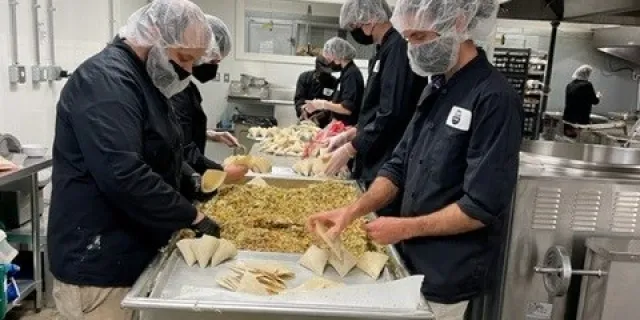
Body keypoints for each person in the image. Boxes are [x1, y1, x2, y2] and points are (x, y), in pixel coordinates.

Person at [308, 0, 522, 319]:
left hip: (447, 271)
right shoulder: (436, 87)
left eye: (420, 37)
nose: (412, 49)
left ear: (460, 23)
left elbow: (481, 206)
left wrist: (405, 228)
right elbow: (398, 167)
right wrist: (353, 211)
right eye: (407, 38)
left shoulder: (493, 98)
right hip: (410, 259)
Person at [48, 1, 221, 318]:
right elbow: (123, 172)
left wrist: (192, 183)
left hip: (130, 252)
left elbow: (164, 150)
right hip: (98, 264)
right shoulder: (106, 82)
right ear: (154, 34)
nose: (186, 70)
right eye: (183, 58)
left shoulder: (145, 82)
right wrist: (192, 217)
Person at [323, 0, 428, 215]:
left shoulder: (398, 48)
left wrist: (351, 148)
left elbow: (392, 113)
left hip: (387, 161)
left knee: (377, 221)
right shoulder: (382, 50)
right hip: (373, 156)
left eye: (355, 26)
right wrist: (350, 135)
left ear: (369, 21)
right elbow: (375, 110)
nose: (355, 32)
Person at [171, 15, 248, 201]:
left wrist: (210, 134)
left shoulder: (186, 86)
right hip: (179, 183)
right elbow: (180, 148)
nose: (214, 68)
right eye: (212, 61)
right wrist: (220, 172)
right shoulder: (174, 90)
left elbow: (180, 128)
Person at [304, 37, 365, 126]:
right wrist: (317, 107)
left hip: (347, 126)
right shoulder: (345, 73)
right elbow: (338, 102)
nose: (329, 61)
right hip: (339, 124)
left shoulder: (352, 75)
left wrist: (324, 104)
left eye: (329, 58)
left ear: (339, 55)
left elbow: (347, 109)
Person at [294, 56, 339, 127]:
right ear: (317, 68)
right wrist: (302, 111)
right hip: (304, 122)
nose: (327, 75)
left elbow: (334, 105)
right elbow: (299, 99)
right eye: (324, 72)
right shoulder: (304, 78)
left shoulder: (334, 83)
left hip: (325, 124)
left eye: (329, 72)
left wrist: (318, 117)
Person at [562, 64, 601, 138]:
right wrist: (598, 96)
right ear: (587, 74)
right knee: (578, 142)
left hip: (567, 118)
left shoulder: (569, 85)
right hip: (580, 120)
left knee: (568, 140)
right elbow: (594, 101)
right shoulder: (587, 85)